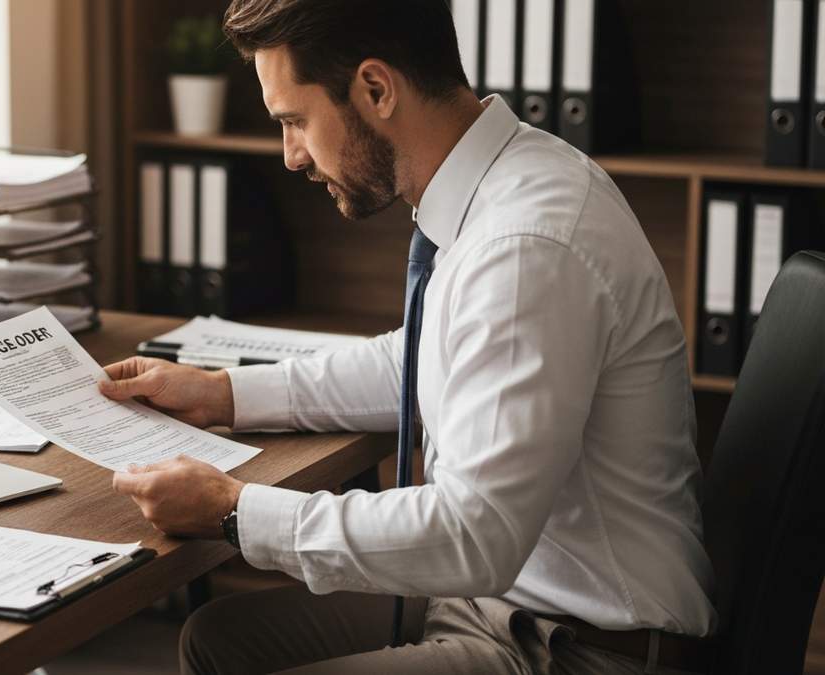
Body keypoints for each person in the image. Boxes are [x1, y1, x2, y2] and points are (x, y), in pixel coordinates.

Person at [101, 1, 716, 672]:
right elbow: (424, 356)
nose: (290, 155)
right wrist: (223, 393)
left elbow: (473, 536)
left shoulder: (525, 247)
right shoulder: (501, 183)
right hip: (502, 599)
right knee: (218, 641)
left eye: (296, 121)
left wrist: (234, 509)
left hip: (576, 643)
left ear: (375, 88)